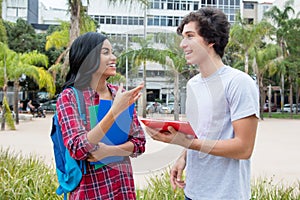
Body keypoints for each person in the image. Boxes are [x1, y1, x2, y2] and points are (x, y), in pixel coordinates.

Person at [145, 7, 259, 200]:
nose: (182, 44)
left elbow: (244, 148)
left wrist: (188, 143)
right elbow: (199, 133)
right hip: (193, 192)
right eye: (183, 37)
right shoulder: (193, 85)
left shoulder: (239, 82)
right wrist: (183, 157)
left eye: (190, 36)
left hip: (226, 195)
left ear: (211, 40)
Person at [56, 32, 145, 199]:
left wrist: (108, 151)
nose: (113, 57)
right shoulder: (70, 97)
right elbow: (78, 148)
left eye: (112, 52)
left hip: (122, 189)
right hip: (90, 191)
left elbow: (139, 143)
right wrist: (114, 111)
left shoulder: (120, 94)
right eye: (105, 52)